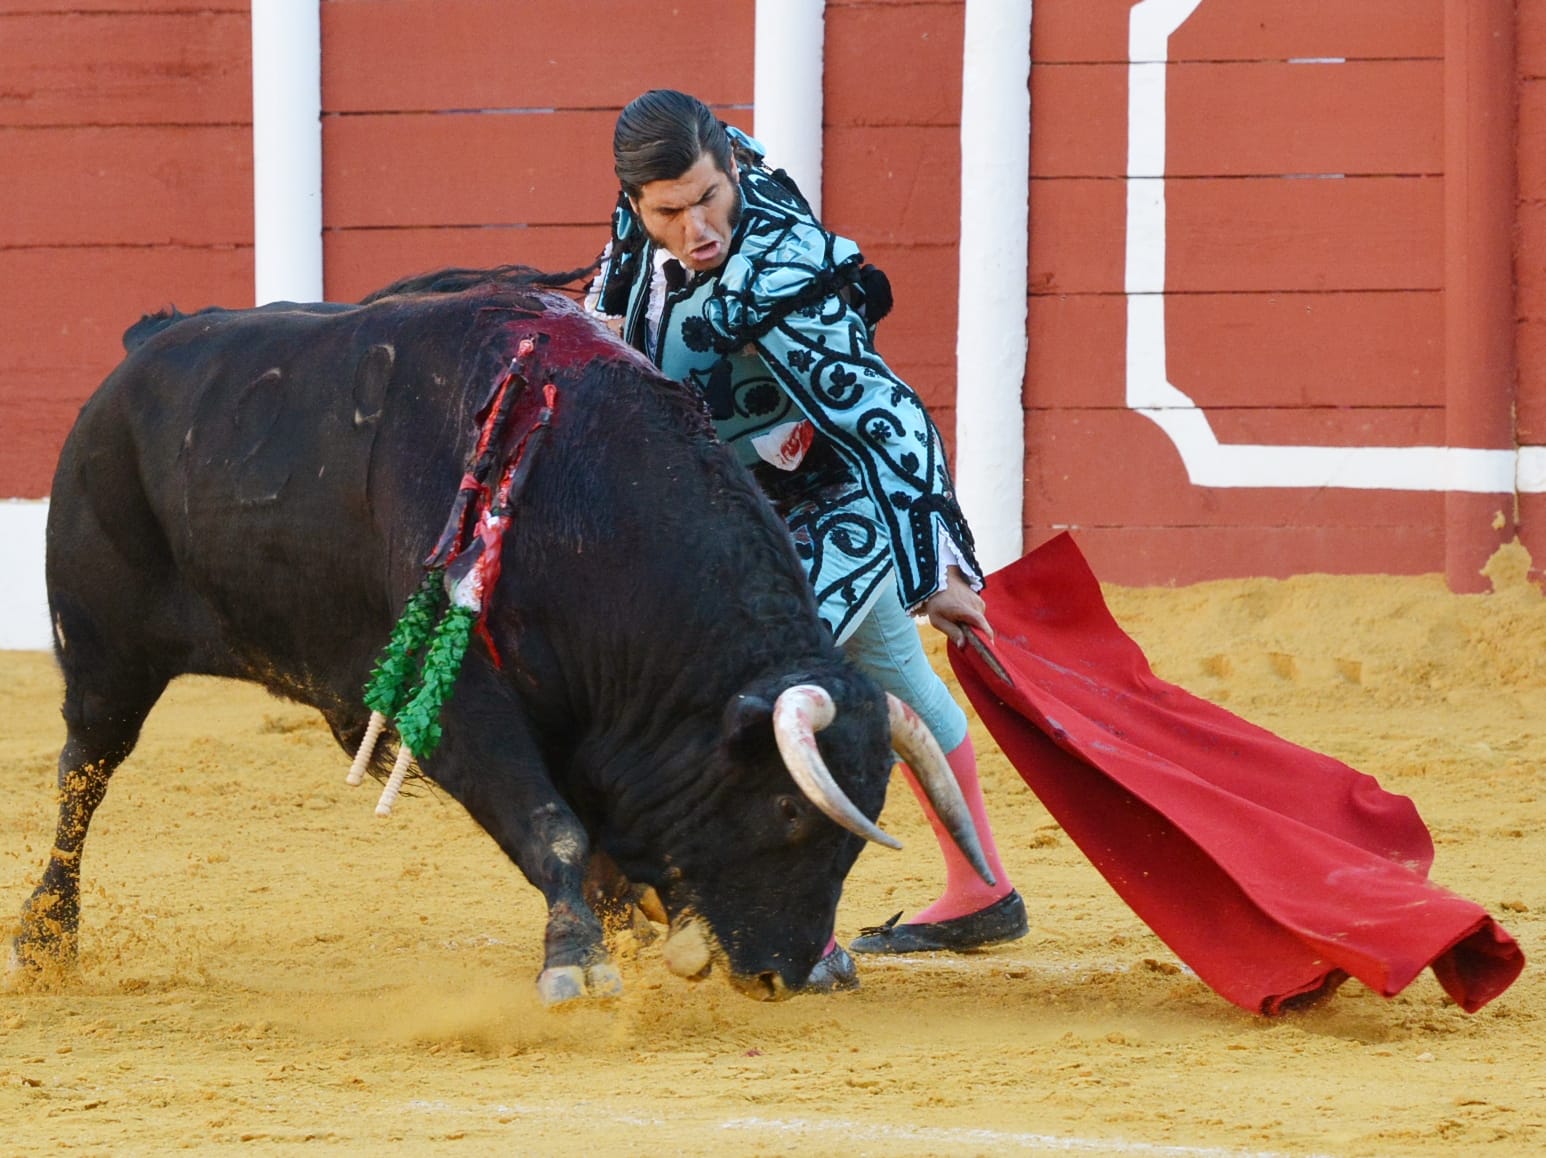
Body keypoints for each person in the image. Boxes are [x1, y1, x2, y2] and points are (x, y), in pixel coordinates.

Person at [588, 90, 1026, 966]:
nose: (697, 226)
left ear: (732, 168)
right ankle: (982, 889)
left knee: (755, 694)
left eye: (711, 197)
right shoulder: (652, 210)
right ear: (637, 201)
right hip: (742, 509)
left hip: (830, 507)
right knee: (892, 678)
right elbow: (615, 307)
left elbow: (884, 416)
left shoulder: (784, 276)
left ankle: (804, 934)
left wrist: (935, 566)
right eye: (670, 211)